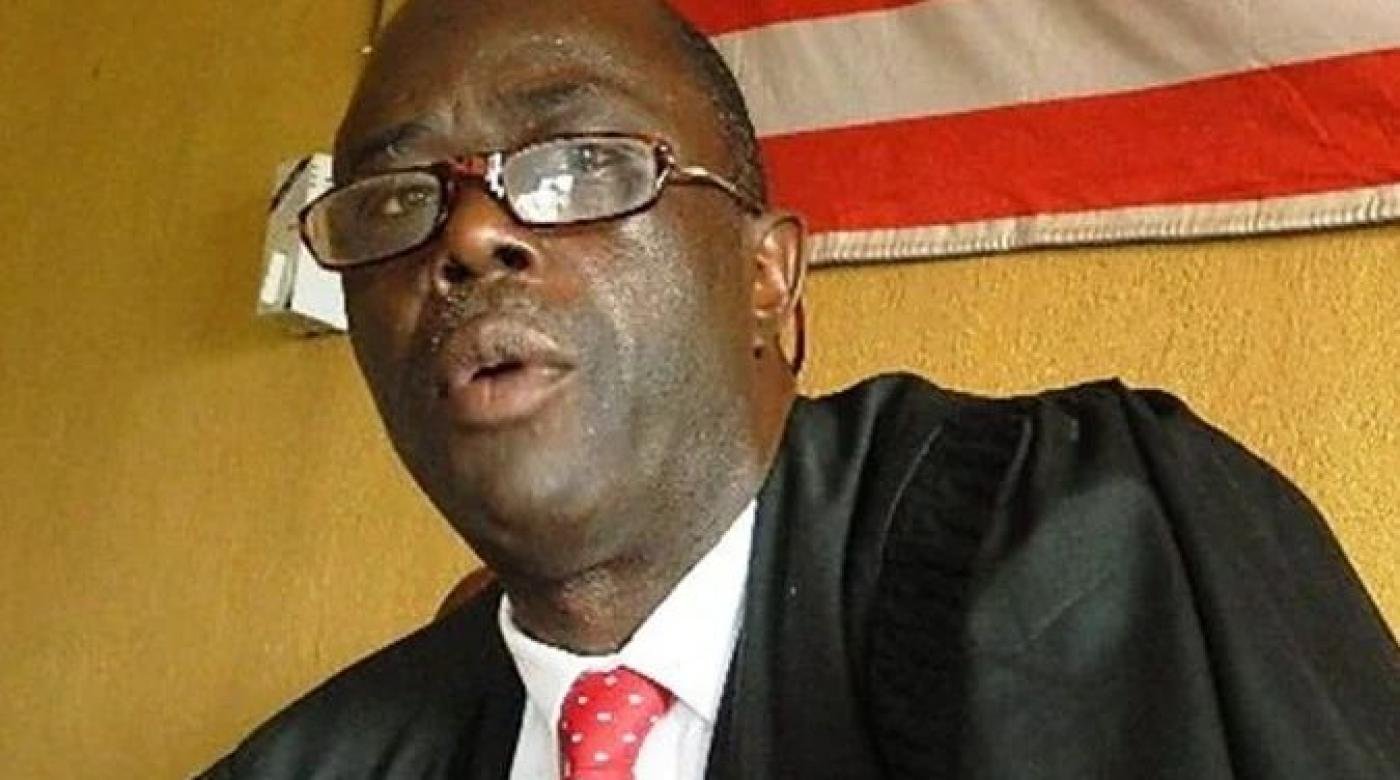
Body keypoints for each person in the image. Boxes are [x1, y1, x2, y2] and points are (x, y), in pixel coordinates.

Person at [200, 0, 1399, 776]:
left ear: (767, 280)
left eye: (581, 163)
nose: (466, 236)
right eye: (393, 200)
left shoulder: (1080, 542)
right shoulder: (315, 762)